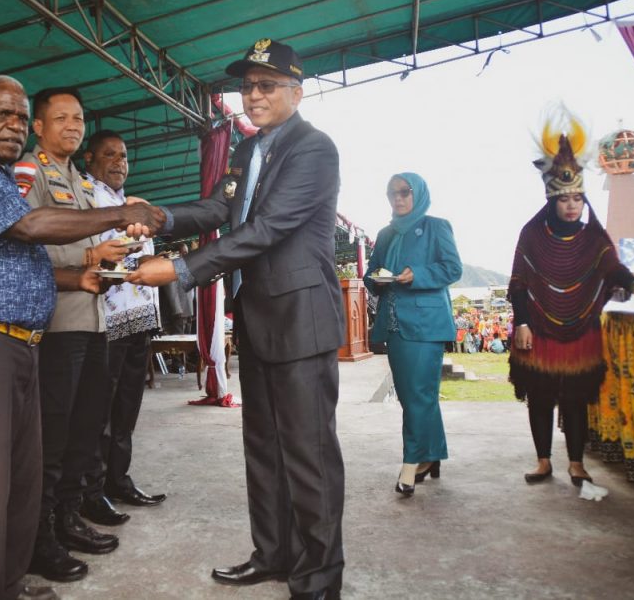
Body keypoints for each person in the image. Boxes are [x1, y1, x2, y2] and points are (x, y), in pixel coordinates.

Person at [0, 76, 158, 600]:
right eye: (2, 115)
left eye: (19, 117)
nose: (13, 126)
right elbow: (30, 228)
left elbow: (25, 256)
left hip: (22, 341)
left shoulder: (2, 177)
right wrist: (122, 211)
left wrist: (79, 276)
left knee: (21, 482)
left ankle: (5, 584)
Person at [128, 38, 346, 600]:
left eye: (266, 85)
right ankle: (273, 555)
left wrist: (180, 268)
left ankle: (319, 578)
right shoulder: (249, 152)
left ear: (297, 92)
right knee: (264, 449)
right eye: (247, 86)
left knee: (308, 455)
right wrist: (161, 216)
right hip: (257, 317)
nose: (253, 95)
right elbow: (221, 208)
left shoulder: (313, 149)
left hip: (301, 322)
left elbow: (265, 229)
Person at [14, 87, 136, 582]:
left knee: (85, 428)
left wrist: (114, 249)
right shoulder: (29, 172)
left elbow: (87, 243)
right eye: (60, 118)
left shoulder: (80, 182)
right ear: (37, 127)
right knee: (52, 434)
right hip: (56, 324)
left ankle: (69, 517)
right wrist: (85, 262)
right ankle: (39, 536)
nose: (72, 125)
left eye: (78, 118)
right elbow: (23, 245)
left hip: (94, 320)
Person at [509, 108, 634, 487]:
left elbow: (612, 266)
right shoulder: (531, 233)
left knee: (576, 399)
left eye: (577, 198)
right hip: (538, 330)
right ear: (552, 201)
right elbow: (519, 283)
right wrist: (522, 322)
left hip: (582, 333)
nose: (572, 205)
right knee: (541, 398)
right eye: (564, 200)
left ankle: (576, 463)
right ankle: (544, 461)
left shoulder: (594, 236)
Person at [79, 129, 166, 529]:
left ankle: (119, 480)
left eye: (125, 156)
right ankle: (90, 492)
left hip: (139, 317)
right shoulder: (87, 197)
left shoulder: (132, 203)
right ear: (90, 159)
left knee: (127, 408)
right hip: (106, 319)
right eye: (110, 155)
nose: (119, 163)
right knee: (99, 410)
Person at [364, 173, 461, 496]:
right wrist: (376, 279)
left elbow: (452, 268)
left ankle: (411, 463)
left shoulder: (437, 226)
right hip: (393, 324)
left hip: (426, 324)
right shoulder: (385, 233)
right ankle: (431, 456)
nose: (398, 198)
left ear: (417, 194)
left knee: (417, 394)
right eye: (392, 193)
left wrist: (416, 274)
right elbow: (371, 274)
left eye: (405, 192)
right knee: (414, 395)